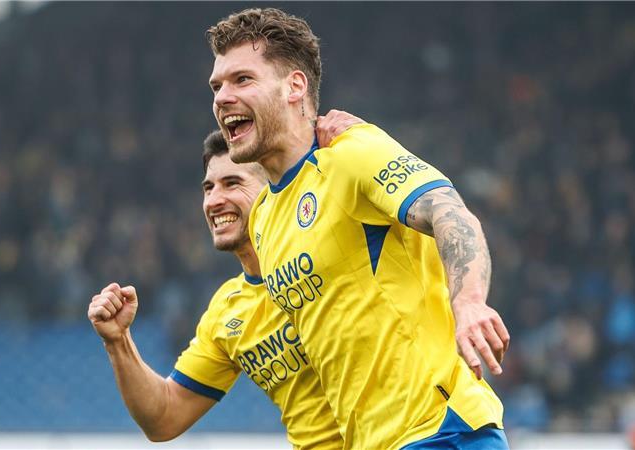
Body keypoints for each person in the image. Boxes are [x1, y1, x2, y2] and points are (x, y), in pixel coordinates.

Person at [206, 7, 511, 449]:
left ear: (295, 86)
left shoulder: (350, 153)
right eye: (217, 86)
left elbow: (450, 212)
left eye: (242, 80)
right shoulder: (266, 219)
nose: (222, 97)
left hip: (440, 431)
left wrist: (468, 302)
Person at [87, 115, 360, 448]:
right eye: (208, 187)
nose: (214, 201)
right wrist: (118, 342)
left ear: (273, 187)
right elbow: (164, 418)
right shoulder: (228, 311)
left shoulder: (336, 248)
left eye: (232, 183)